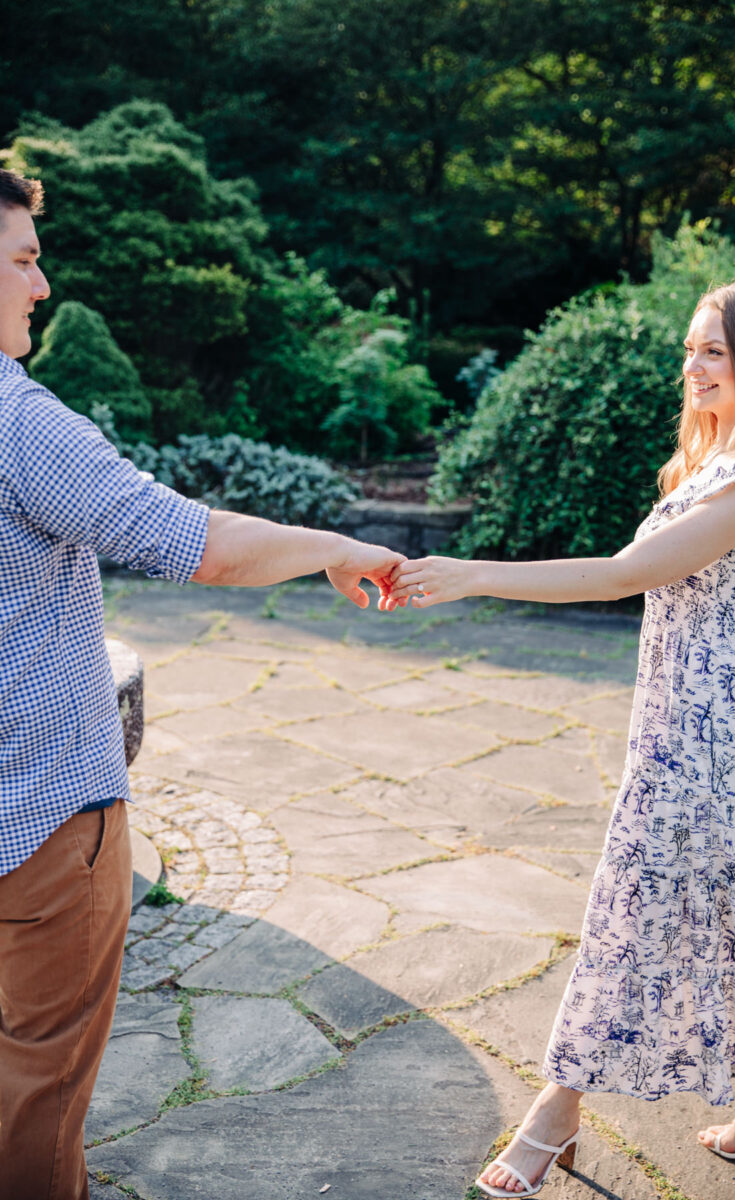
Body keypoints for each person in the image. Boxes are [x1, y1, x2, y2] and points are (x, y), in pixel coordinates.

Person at [0, 167, 403, 1200]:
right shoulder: (17, 421)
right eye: (25, 260)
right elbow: (192, 545)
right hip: (37, 822)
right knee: (33, 1092)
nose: (42, 287)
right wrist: (331, 546)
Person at [389, 278, 735, 1195]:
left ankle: (554, 1116)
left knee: (636, 905)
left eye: (715, 353)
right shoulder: (712, 460)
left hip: (710, 723)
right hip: (686, 710)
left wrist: (470, 574)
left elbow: (622, 576)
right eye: (691, 348)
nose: (691, 366)